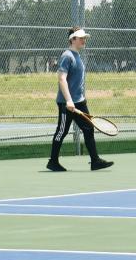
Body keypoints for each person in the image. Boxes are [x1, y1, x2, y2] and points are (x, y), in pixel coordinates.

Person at [46, 26, 113, 172]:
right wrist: (69, 101)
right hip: (66, 103)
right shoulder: (67, 56)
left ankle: (95, 161)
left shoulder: (78, 56)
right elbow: (61, 79)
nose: (84, 40)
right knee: (61, 131)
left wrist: (78, 99)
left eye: (84, 38)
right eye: (81, 38)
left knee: (88, 129)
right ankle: (53, 162)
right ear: (72, 39)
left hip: (80, 102)